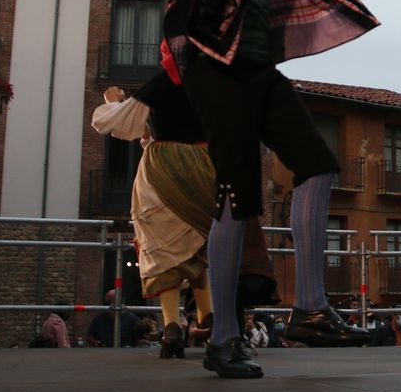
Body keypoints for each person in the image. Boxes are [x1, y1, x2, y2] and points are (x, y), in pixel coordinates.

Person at [164, 0, 378, 378]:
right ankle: (223, 337)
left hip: (255, 65)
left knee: (318, 163)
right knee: (237, 190)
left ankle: (309, 309)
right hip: (213, 59)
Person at [91, 72, 279, 359]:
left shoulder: (162, 82)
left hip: (161, 170)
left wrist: (113, 101)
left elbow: (118, 122)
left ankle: (171, 328)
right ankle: (208, 316)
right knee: (199, 245)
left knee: (166, 252)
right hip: (207, 166)